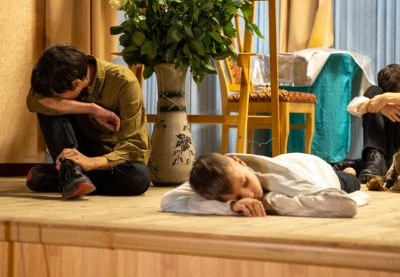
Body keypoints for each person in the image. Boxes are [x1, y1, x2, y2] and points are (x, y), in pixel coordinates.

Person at [26, 44, 151, 200]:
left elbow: (135, 146)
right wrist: (92, 109)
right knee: (47, 108)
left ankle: (61, 179)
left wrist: (91, 163)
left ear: (77, 83)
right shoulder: (61, 75)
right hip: (75, 148)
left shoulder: (124, 82)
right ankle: (72, 173)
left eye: (57, 95)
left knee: (139, 177)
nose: (55, 98)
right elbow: (33, 100)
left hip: (107, 158)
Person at [160, 152, 368, 218]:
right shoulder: (217, 174)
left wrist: (271, 202)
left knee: (351, 181)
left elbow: (345, 205)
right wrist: (229, 207)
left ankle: (349, 169)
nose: (250, 195)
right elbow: (169, 200)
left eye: (245, 182)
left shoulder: (284, 178)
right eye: (239, 197)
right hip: (290, 159)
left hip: (318, 170)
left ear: (240, 161)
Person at [347, 63, 400, 183]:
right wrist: (379, 106)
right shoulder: (378, 94)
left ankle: (368, 164)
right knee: (373, 90)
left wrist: (387, 98)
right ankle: (377, 159)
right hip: (383, 159)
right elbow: (352, 106)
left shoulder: (387, 97)